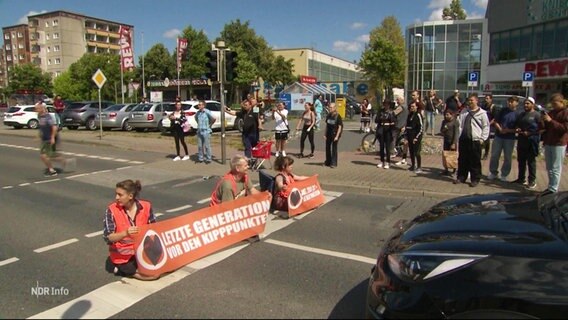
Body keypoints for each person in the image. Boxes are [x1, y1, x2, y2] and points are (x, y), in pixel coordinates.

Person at [103, 179, 159, 281]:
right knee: (152, 276)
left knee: (162, 269)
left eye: (120, 195)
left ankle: (126, 269)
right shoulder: (111, 210)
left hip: (142, 250)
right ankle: (120, 268)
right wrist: (125, 233)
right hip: (123, 255)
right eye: (116, 194)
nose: (116, 198)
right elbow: (108, 237)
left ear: (130, 196)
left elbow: (154, 230)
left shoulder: (146, 206)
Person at [454, 93, 490, 187]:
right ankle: (461, 177)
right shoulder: (464, 111)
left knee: (475, 161)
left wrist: (482, 139)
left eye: (472, 100)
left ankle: (475, 179)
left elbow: (486, 127)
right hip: (464, 139)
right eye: (469, 100)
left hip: (475, 140)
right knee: (462, 160)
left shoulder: (482, 113)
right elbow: (460, 124)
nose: (470, 102)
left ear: (476, 101)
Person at [539, 93, 568, 196]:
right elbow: (545, 127)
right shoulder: (551, 112)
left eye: (555, 104)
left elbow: (564, 129)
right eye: (552, 104)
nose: (553, 106)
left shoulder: (565, 113)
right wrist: (543, 120)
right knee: (549, 167)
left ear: (561, 102)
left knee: (556, 167)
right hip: (549, 142)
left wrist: (551, 121)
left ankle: (553, 188)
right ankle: (550, 186)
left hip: (559, 143)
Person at [487, 96, 520, 182]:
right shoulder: (502, 110)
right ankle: (493, 172)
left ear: (516, 103)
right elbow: (496, 121)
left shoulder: (518, 114)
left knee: (507, 157)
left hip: (510, 138)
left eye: (512, 102)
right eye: (509, 101)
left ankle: (504, 174)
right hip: (498, 137)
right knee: (494, 155)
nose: (509, 103)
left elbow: (518, 128)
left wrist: (508, 130)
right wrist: (500, 129)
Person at [514, 97, 541, 190]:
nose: (525, 105)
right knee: (521, 161)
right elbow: (517, 124)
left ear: (532, 104)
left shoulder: (537, 115)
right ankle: (521, 178)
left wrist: (531, 133)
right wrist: (517, 128)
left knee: (531, 162)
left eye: (528, 104)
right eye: (525, 104)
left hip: (532, 141)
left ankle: (532, 181)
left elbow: (542, 129)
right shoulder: (521, 114)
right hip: (522, 140)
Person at [36, 101, 63, 177]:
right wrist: (38, 135)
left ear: (42, 108)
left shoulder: (48, 117)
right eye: (36, 109)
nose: (36, 110)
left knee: (44, 156)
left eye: (38, 108)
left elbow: (54, 127)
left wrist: (52, 138)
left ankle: (52, 170)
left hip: (49, 138)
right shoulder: (39, 116)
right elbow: (42, 127)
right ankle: (63, 162)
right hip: (44, 139)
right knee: (50, 155)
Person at [375, 99, 396, 169]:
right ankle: (382, 161)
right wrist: (380, 118)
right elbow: (376, 120)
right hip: (381, 129)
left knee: (387, 147)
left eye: (387, 105)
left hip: (388, 130)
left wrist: (391, 124)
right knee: (381, 146)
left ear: (389, 105)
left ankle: (388, 161)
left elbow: (394, 122)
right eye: (385, 104)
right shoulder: (381, 111)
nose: (386, 106)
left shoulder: (391, 112)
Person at [406, 101, 424, 173]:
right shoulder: (409, 115)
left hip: (416, 136)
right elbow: (408, 126)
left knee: (417, 152)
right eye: (411, 107)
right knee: (411, 152)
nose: (412, 108)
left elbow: (421, 127)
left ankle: (419, 167)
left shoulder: (418, 115)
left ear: (416, 107)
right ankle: (413, 165)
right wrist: (406, 136)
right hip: (410, 136)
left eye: (413, 106)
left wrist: (416, 137)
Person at [440, 109, 459, 176]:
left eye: (448, 114)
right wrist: (444, 129)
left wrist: (454, 143)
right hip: (446, 140)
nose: (446, 116)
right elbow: (441, 131)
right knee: (445, 155)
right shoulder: (444, 122)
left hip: (452, 141)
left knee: (453, 156)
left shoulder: (455, 122)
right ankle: (446, 169)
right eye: (445, 115)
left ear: (452, 115)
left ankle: (454, 170)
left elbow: (456, 133)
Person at [323, 103, 343, 168]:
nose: (330, 108)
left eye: (331, 107)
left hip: (335, 134)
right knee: (327, 148)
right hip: (328, 134)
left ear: (335, 108)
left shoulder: (338, 116)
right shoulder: (328, 115)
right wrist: (324, 134)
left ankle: (334, 163)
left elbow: (340, 127)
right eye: (329, 107)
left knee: (334, 148)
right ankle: (328, 162)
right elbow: (327, 125)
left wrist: (337, 136)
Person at [392, 96, 409, 166]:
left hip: (399, 125)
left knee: (394, 138)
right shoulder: (406, 107)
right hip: (403, 125)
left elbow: (394, 113)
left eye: (398, 100)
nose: (397, 101)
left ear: (402, 100)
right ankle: (399, 153)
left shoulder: (401, 107)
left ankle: (397, 152)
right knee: (399, 140)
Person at [480, 94, 496, 160]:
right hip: (483, 124)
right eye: (485, 98)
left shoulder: (493, 107)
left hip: (489, 125)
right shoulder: (484, 106)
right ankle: (481, 152)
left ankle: (486, 153)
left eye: (487, 98)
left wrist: (489, 124)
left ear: (491, 99)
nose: (486, 100)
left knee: (487, 139)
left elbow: (495, 118)